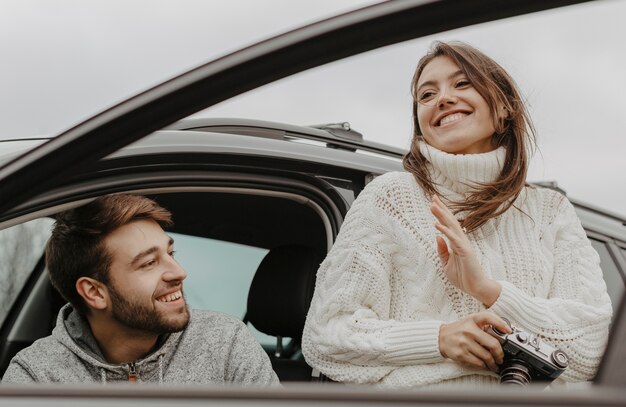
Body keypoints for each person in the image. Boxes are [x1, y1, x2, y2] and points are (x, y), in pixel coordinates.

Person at [302, 41, 612, 388]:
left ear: (505, 106)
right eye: (426, 95)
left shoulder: (550, 211)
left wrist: (489, 290)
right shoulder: (390, 198)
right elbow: (328, 335)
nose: (443, 99)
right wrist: (439, 339)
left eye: (462, 83)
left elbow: (594, 351)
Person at [3, 194, 280, 385]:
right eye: (149, 263)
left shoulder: (225, 343)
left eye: (171, 253)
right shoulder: (36, 375)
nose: (178, 272)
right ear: (95, 293)